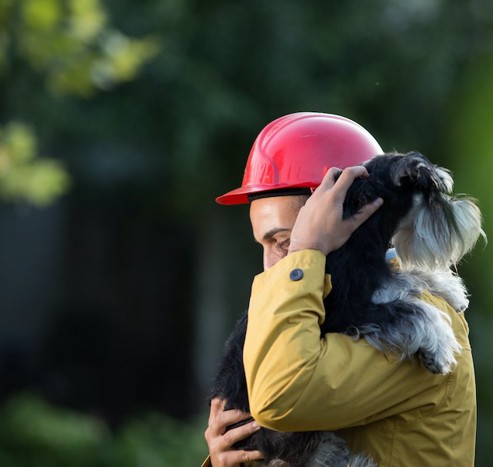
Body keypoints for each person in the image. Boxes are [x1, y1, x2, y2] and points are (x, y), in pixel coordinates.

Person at [203, 112, 476, 467]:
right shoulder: (318, 308)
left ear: (350, 217)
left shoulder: (417, 318)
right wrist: (231, 457)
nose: (272, 266)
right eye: (264, 245)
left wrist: (306, 253)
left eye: (285, 242)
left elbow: (280, 397)